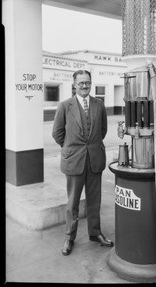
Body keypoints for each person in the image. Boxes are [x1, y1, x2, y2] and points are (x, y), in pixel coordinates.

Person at [52, 69, 114, 256]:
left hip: (95, 159)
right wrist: (71, 149)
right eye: (81, 83)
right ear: (74, 85)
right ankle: (69, 237)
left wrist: (91, 147)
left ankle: (95, 234)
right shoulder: (64, 106)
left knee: (95, 200)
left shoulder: (99, 104)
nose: (85, 86)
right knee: (73, 203)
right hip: (74, 161)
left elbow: (102, 130)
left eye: (88, 82)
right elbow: (57, 134)